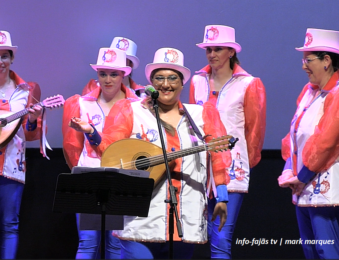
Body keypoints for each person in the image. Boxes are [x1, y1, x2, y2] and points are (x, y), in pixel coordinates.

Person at [68, 47, 231, 259]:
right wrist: (92, 132)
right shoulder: (130, 110)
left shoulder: (202, 114)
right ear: (151, 84)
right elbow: (110, 150)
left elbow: (218, 155)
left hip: (186, 215)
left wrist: (223, 196)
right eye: (159, 78)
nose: (166, 84)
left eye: (172, 78)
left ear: (183, 83)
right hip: (139, 220)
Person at [189, 25, 266, 259]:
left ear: (231, 52)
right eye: (208, 49)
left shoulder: (249, 83)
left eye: (218, 49)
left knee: (222, 238)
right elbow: (193, 122)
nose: (212, 54)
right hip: (202, 166)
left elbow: (255, 130)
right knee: (203, 236)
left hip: (233, 168)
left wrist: (242, 163)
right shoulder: (197, 80)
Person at [62, 47, 140, 259]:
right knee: (87, 243)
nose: (108, 79)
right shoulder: (81, 103)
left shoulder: (136, 105)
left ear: (124, 74)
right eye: (103, 73)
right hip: (89, 177)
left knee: (115, 244)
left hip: (121, 178)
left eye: (113, 74)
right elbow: (72, 146)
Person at [0, 30, 44, 259]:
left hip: (12, 163)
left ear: (12, 58)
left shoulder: (26, 90)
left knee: (10, 223)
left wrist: (32, 119)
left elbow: (30, 134)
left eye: (5, 56)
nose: (0, 62)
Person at [278, 28, 339, 259]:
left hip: (323, 186)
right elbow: (292, 136)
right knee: (310, 250)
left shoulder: (337, 92)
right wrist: (288, 172)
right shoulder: (309, 91)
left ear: (326, 61)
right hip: (301, 184)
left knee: (327, 250)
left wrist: (301, 178)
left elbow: (327, 141)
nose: (303, 65)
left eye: (308, 59)